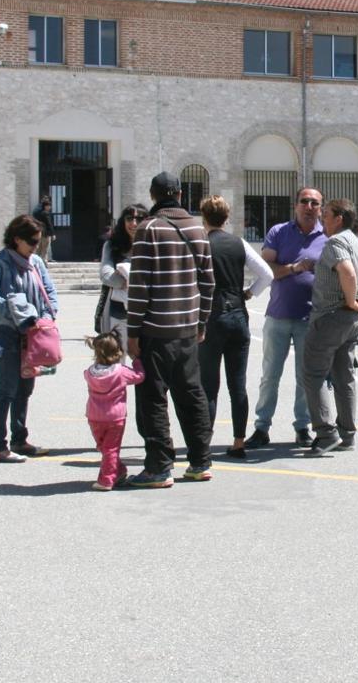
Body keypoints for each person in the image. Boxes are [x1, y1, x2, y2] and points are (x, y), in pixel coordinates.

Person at [124, 172, 216, 488]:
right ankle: (200, 461)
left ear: (153, 195)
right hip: (188, 328)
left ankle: (159, 466)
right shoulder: (197, 228)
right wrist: (201, 322)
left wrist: (132, 332)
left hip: (155, 329)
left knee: (152, 398)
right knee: (191, 393)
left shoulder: (148, 229)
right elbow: (208, 281)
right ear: (179, 194)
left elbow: (140, 284)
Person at [246, 188, 327, 449]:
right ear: (295, 206)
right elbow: (266, 269)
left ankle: (302, 427)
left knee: (304, 377)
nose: (309, 206)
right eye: (304, 201)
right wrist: (294, 268)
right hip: (278, 316)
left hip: (310, 319)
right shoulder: (278, 232)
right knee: (270, 375)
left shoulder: (327, 237)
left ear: (321, 208)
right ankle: (261, 427)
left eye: (314, 203)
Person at [198, 195, 273, 459]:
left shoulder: (202, 244)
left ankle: (203, 442)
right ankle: (239, 441)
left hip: (211, 315)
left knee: (208, 384)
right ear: (227, 217)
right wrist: (249, 293)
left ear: (203, 217)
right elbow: (267, 274)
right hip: (238, 315)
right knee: (237, 384)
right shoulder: (239, 243)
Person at [0, 214, 58, 463]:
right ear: (16, 239)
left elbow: (50, 294)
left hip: (33, 335)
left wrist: (43, 317)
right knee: (7, 389)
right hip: (7, 334)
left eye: (38, 241)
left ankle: (20, 440)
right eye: (32, 241)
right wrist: (15, 312)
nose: (36, 246)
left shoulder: (36, 262)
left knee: (25, 388)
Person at [299, 198, 358, 455]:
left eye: (326, 215)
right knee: (344, 376)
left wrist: (351, 300)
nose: (322, 220)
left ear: (339, 218)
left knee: (313, 373)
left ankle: (326, 432)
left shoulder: (336, 242)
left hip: (331, 315)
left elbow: (348, 272)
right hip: (352, 320)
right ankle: (347, 434)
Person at [84, 331, 145, 491]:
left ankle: (118, 470)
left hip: (94, 416)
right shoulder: (121, 372)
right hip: (115, 417)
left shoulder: (90, 372)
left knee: (103, 447)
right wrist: (137, 362)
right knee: (111, 448)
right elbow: (139, 376)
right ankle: (107, 480)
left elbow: (86, 375)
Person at [99, 204, 149, 348]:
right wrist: (133, 281)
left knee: (144, 363)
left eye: (139, 219)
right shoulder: (111, 245)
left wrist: (129, 278)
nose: (134, 223)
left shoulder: (152, 245)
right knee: (116, 360)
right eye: (129, 218)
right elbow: (106, 275)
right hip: (119, 312)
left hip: (147, 315)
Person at [32, 195, 56, 264]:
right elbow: (49, 224)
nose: (50, 207)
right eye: (49, 206)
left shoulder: (36, 211)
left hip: (38, 233)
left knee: (38, 250)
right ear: (45, 206)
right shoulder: (46, 213)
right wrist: (52, 234)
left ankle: (36, 264)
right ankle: (43, 264)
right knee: (44, 250)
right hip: (45, 234)